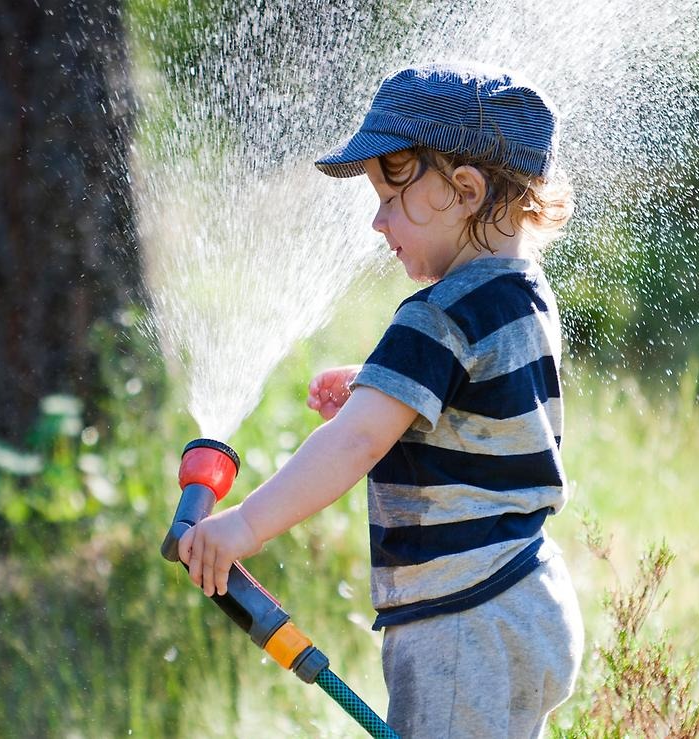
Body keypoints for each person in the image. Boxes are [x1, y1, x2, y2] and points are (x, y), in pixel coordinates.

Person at [179, 61, 584, 738]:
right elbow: (479, 401)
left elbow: (355, 442)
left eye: (390, 198)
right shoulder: (524, 297)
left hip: (463, 622)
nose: (376, 221)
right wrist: (382, 380)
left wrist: (242, 527)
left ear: (464, 189)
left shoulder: (434, 317)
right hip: (531, 600)